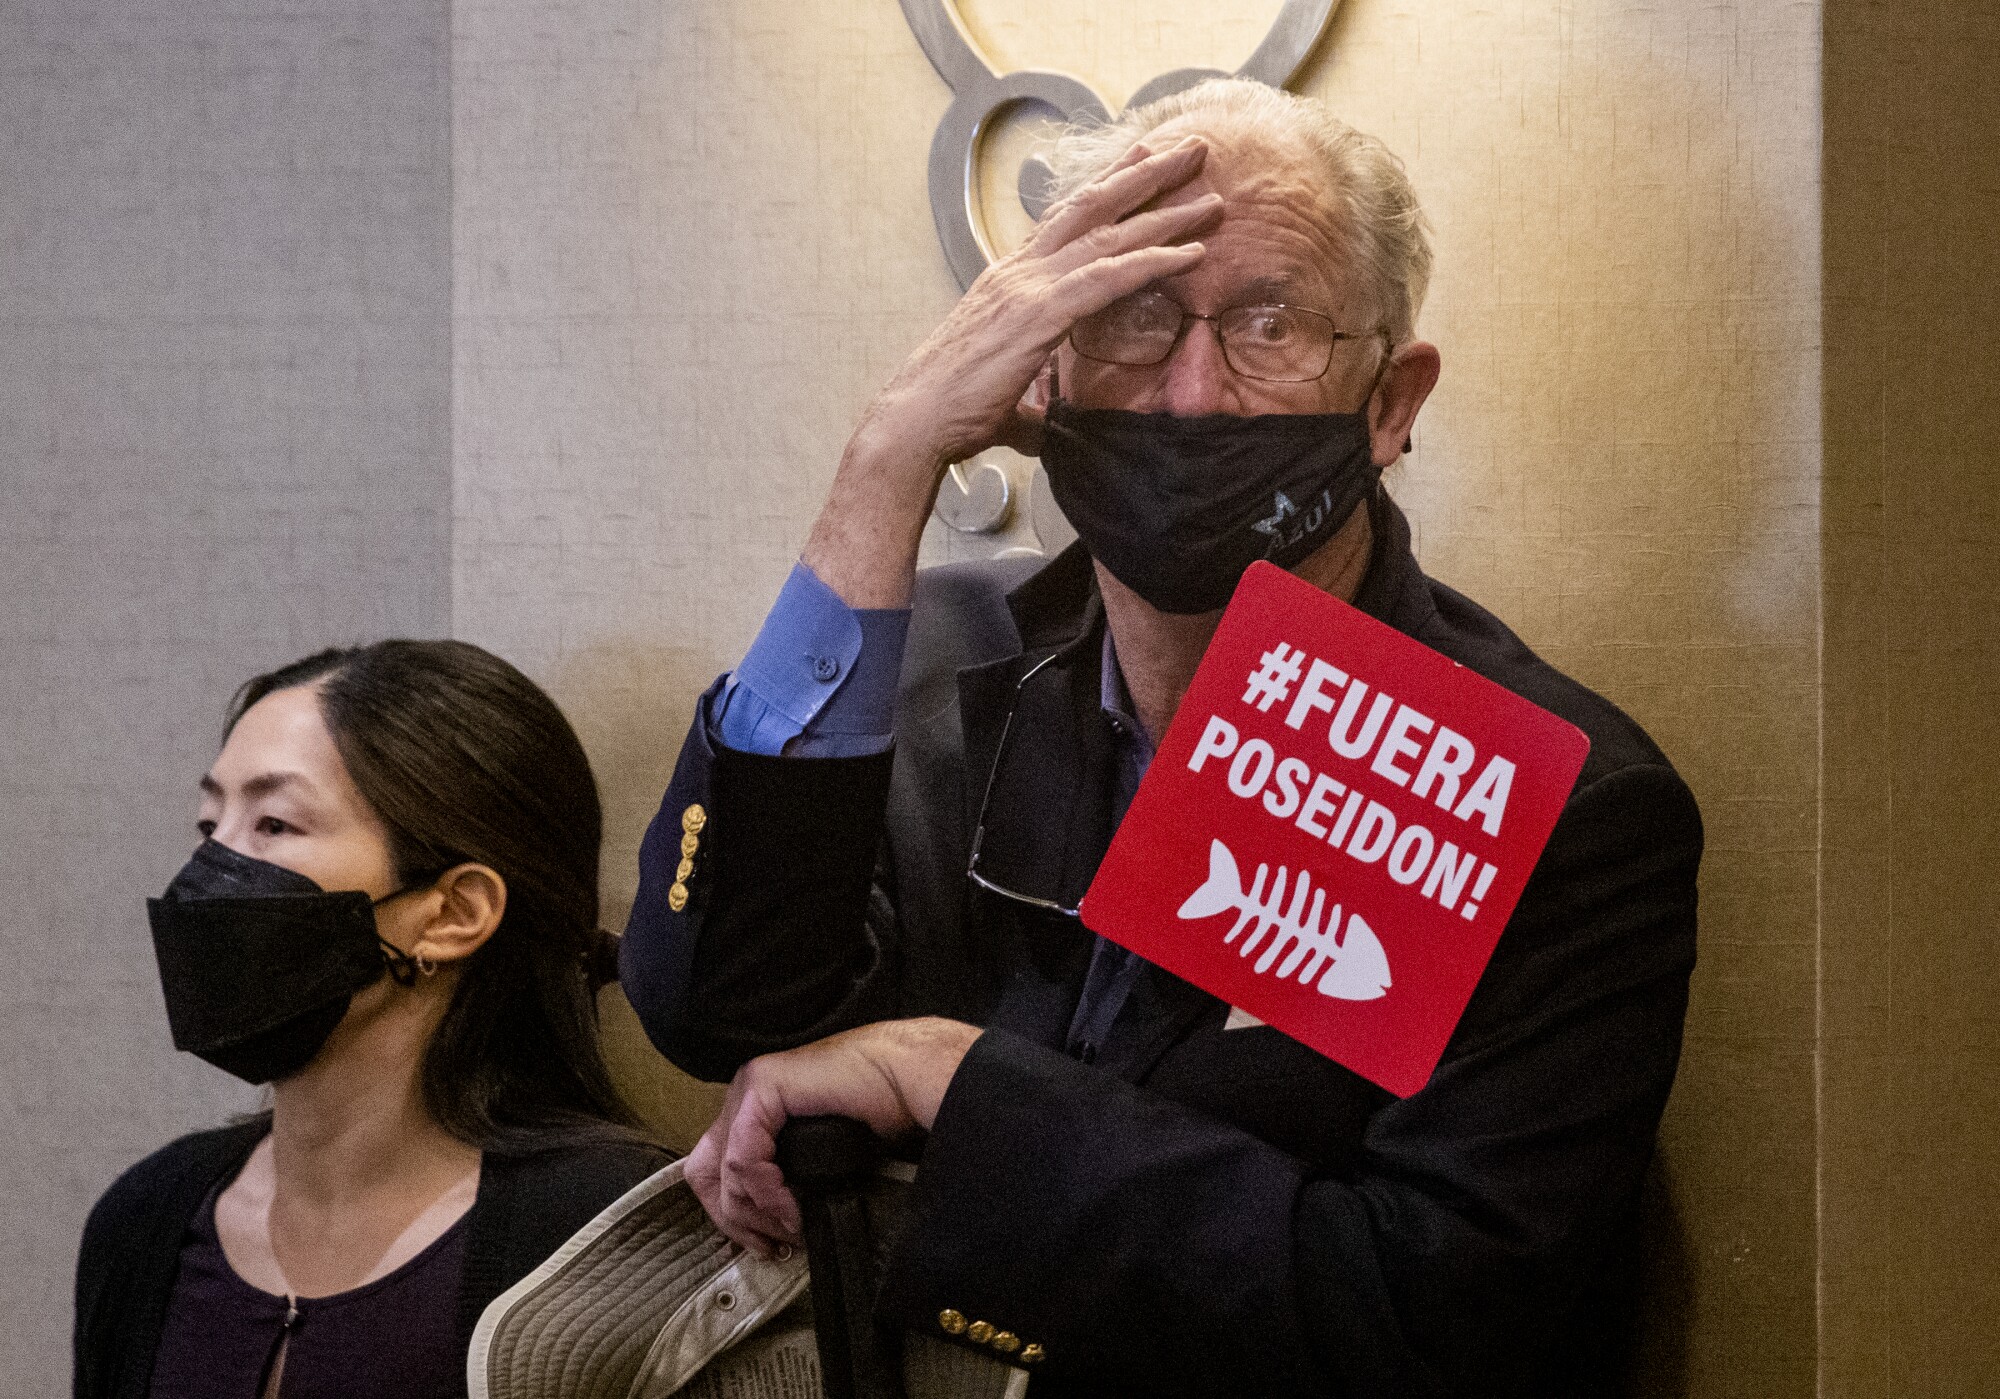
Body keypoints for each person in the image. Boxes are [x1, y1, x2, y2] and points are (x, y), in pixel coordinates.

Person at [621, 79, 1702, 1398]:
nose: (1191, 397)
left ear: (1388, 400)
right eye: (1134, 313)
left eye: (1269, 319)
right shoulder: (945, 679)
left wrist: (955, 1079)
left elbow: (1430, 1320)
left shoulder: (1544, 793)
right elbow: (719, 1006)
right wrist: (887, 458)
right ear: (1045, 363)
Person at [75, 641, 670, 1399]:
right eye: (209, 825)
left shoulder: (608, 1241)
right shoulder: (145, 1218)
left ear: (453, 913)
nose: (206, 878)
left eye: (274, 825)